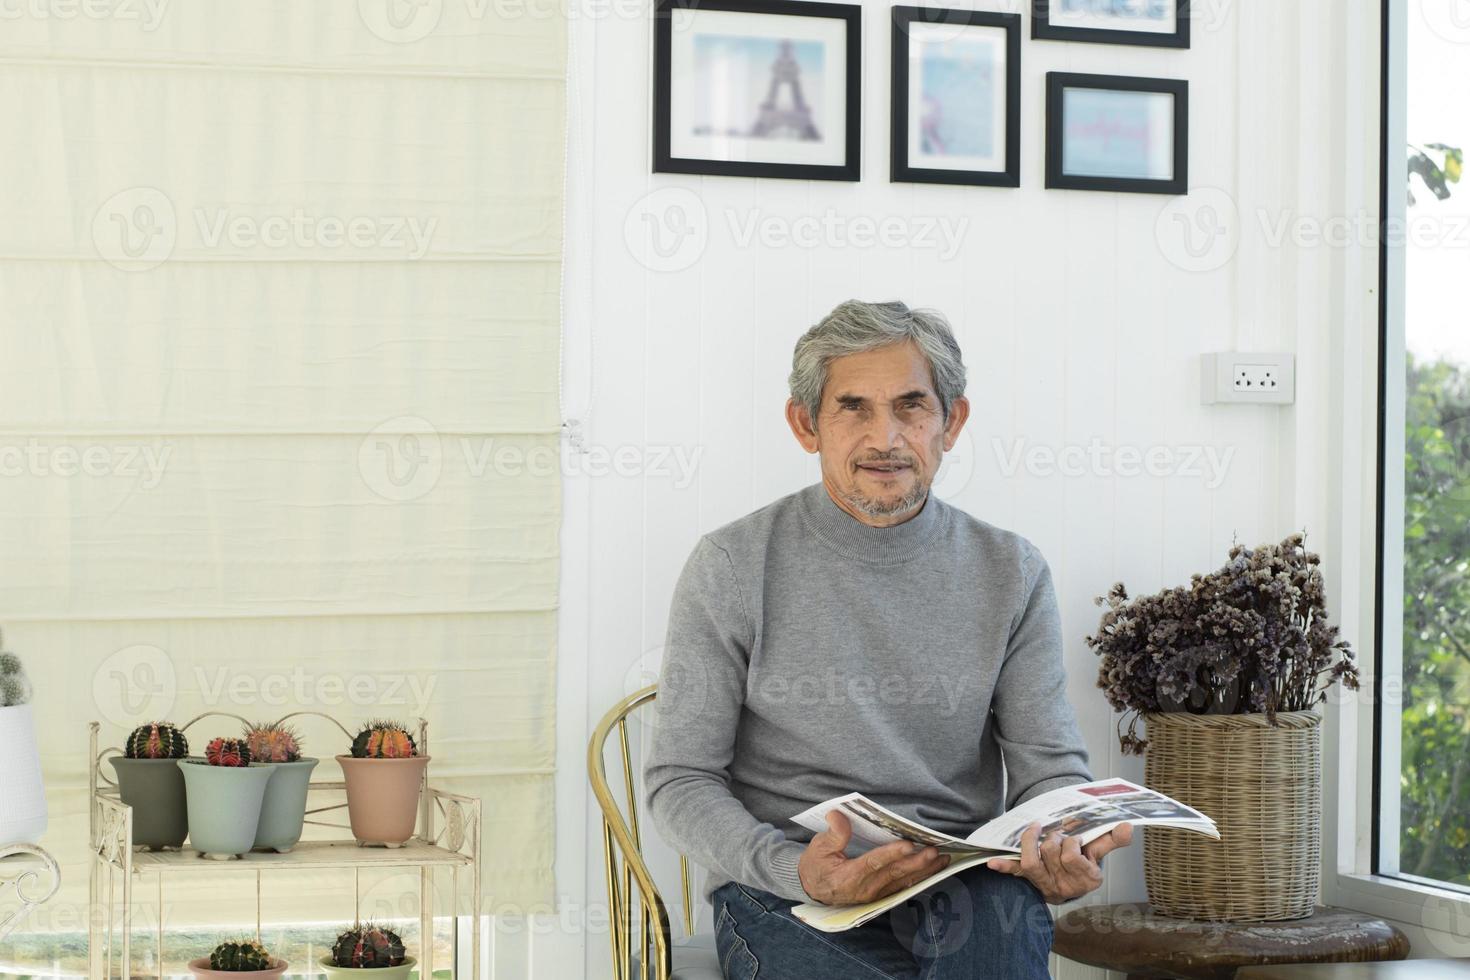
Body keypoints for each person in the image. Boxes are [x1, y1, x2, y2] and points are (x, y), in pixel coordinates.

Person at [644, 300, 1134, 979]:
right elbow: (681, 780)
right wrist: (795, 870)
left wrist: (1062, 842)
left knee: (1001, 928)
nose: (886, 438)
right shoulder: (732, 564)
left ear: (951, 422)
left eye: (911, 407)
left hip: (962, 878)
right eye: (854, 408)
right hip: (792, 887)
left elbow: (1049, 768)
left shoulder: (1011, 572)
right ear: (805, 424)